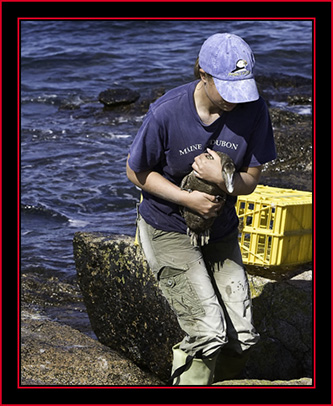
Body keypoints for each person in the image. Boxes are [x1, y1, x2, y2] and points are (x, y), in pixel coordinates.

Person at [126, 33, 276, 385]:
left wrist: (221, 179)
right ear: (203, 75)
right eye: (226, 88)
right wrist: (189, 199)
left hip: (220, 228)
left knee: (242, 336)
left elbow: (250, 179)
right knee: (209, 333)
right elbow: (135, 171)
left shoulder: (254, 110)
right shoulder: (167, 112)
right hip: (168, 226)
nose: (234, 101)